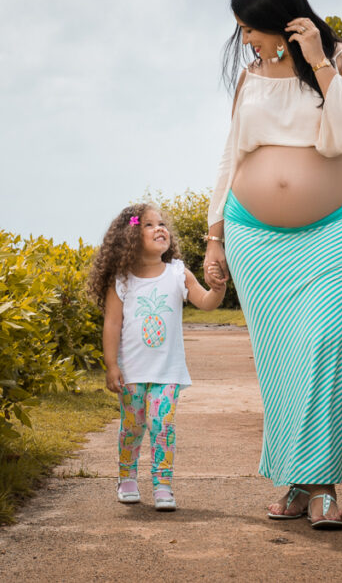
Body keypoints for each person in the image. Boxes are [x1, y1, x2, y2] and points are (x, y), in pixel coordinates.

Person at [203, 0, 342, 530]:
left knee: (325, 344)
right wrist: (215, 236)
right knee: (281, 361)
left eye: (250, 29)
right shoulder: (250, 77)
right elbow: (231, 155)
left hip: (333, 230)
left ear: (282, 18)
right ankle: (297, 482)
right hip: (255, 236)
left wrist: (317, 61)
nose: (245, 41)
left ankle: (323, 483)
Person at [86, 203, 226, 512]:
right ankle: (127, 479)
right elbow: (112, 324)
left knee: (162, 425)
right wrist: (111, 366)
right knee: (133, 427)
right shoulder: (122, 280)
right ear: (130, 238)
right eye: (148, 225)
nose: (159, 228)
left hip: (167, 372)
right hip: (131, 372)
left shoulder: (177, 272)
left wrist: (217, 289)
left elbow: (204, 301)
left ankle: (163, 485)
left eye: (161, 224)